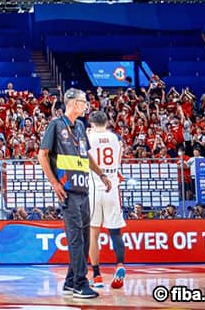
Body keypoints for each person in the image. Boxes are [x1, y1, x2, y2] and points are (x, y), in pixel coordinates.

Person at [38, 88, 111, 300]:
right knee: (76, 238)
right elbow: (42, 155)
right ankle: (80, 283)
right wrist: (54, 183)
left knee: (84, 238)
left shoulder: (79, 126)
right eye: (83, 102)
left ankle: (70, 281)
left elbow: (85, 155)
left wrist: (101, 174)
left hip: (83, 189)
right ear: (73, 103)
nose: (86, 105)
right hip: (67, 191)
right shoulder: (55, 125)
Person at [86, 111, 126, 290]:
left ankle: (97, 275)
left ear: (92, 124)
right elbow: (119, 157)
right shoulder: (115, 138)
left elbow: (84, 157)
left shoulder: (89, 137)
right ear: (107, 122)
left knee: (93, 233)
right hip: (112, 187)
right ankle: (120, 265)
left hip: (95, 186)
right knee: (115, 232)